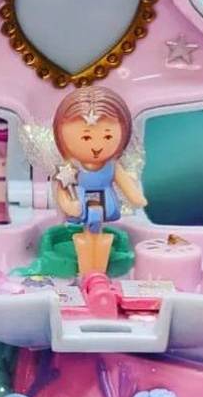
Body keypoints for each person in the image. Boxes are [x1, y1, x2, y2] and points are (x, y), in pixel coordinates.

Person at [51, 86, 147, 276]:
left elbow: (126, 185)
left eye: (108, 136)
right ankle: (88, 268)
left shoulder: (112, 166)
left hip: (106, 203)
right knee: (87, 232)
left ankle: (97, 268)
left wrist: (136, 197)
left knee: (98, 232)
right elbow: (62, 189)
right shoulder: (69, 168)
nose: (97, 146)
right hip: (80, 205)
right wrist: (68, 204)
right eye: (86, 137)